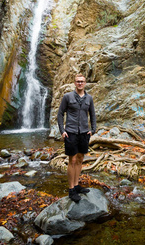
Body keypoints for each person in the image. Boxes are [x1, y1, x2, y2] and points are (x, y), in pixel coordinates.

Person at [57, 73, 96, 202]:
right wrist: (62, 131)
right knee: (72, 160)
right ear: (75, 83)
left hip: (84, 133)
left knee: (80, 159)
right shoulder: (67, 97)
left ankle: (77, 185)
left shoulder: (89, 98)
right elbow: (60, 113)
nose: (80, 83)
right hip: (71, 132)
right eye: (78, 81)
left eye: (82, 81)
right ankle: (71, 189)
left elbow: (93, 114)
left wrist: (93, 129)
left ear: (85, 83)